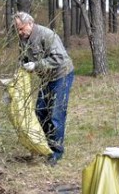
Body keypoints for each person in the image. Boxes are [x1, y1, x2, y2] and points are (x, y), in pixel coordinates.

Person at [13, 11, 75, 166]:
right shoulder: (23, 39)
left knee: (56, 113)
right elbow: (23, 58)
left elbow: (59, 57)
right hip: (45, 78)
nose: (20, 32)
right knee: (40, 111)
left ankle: (56, 152)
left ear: (30, 23)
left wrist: (36, 65)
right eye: (17, 29)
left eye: (21, 29)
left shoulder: (46, 35)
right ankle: (44, 146)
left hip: (61, 75)